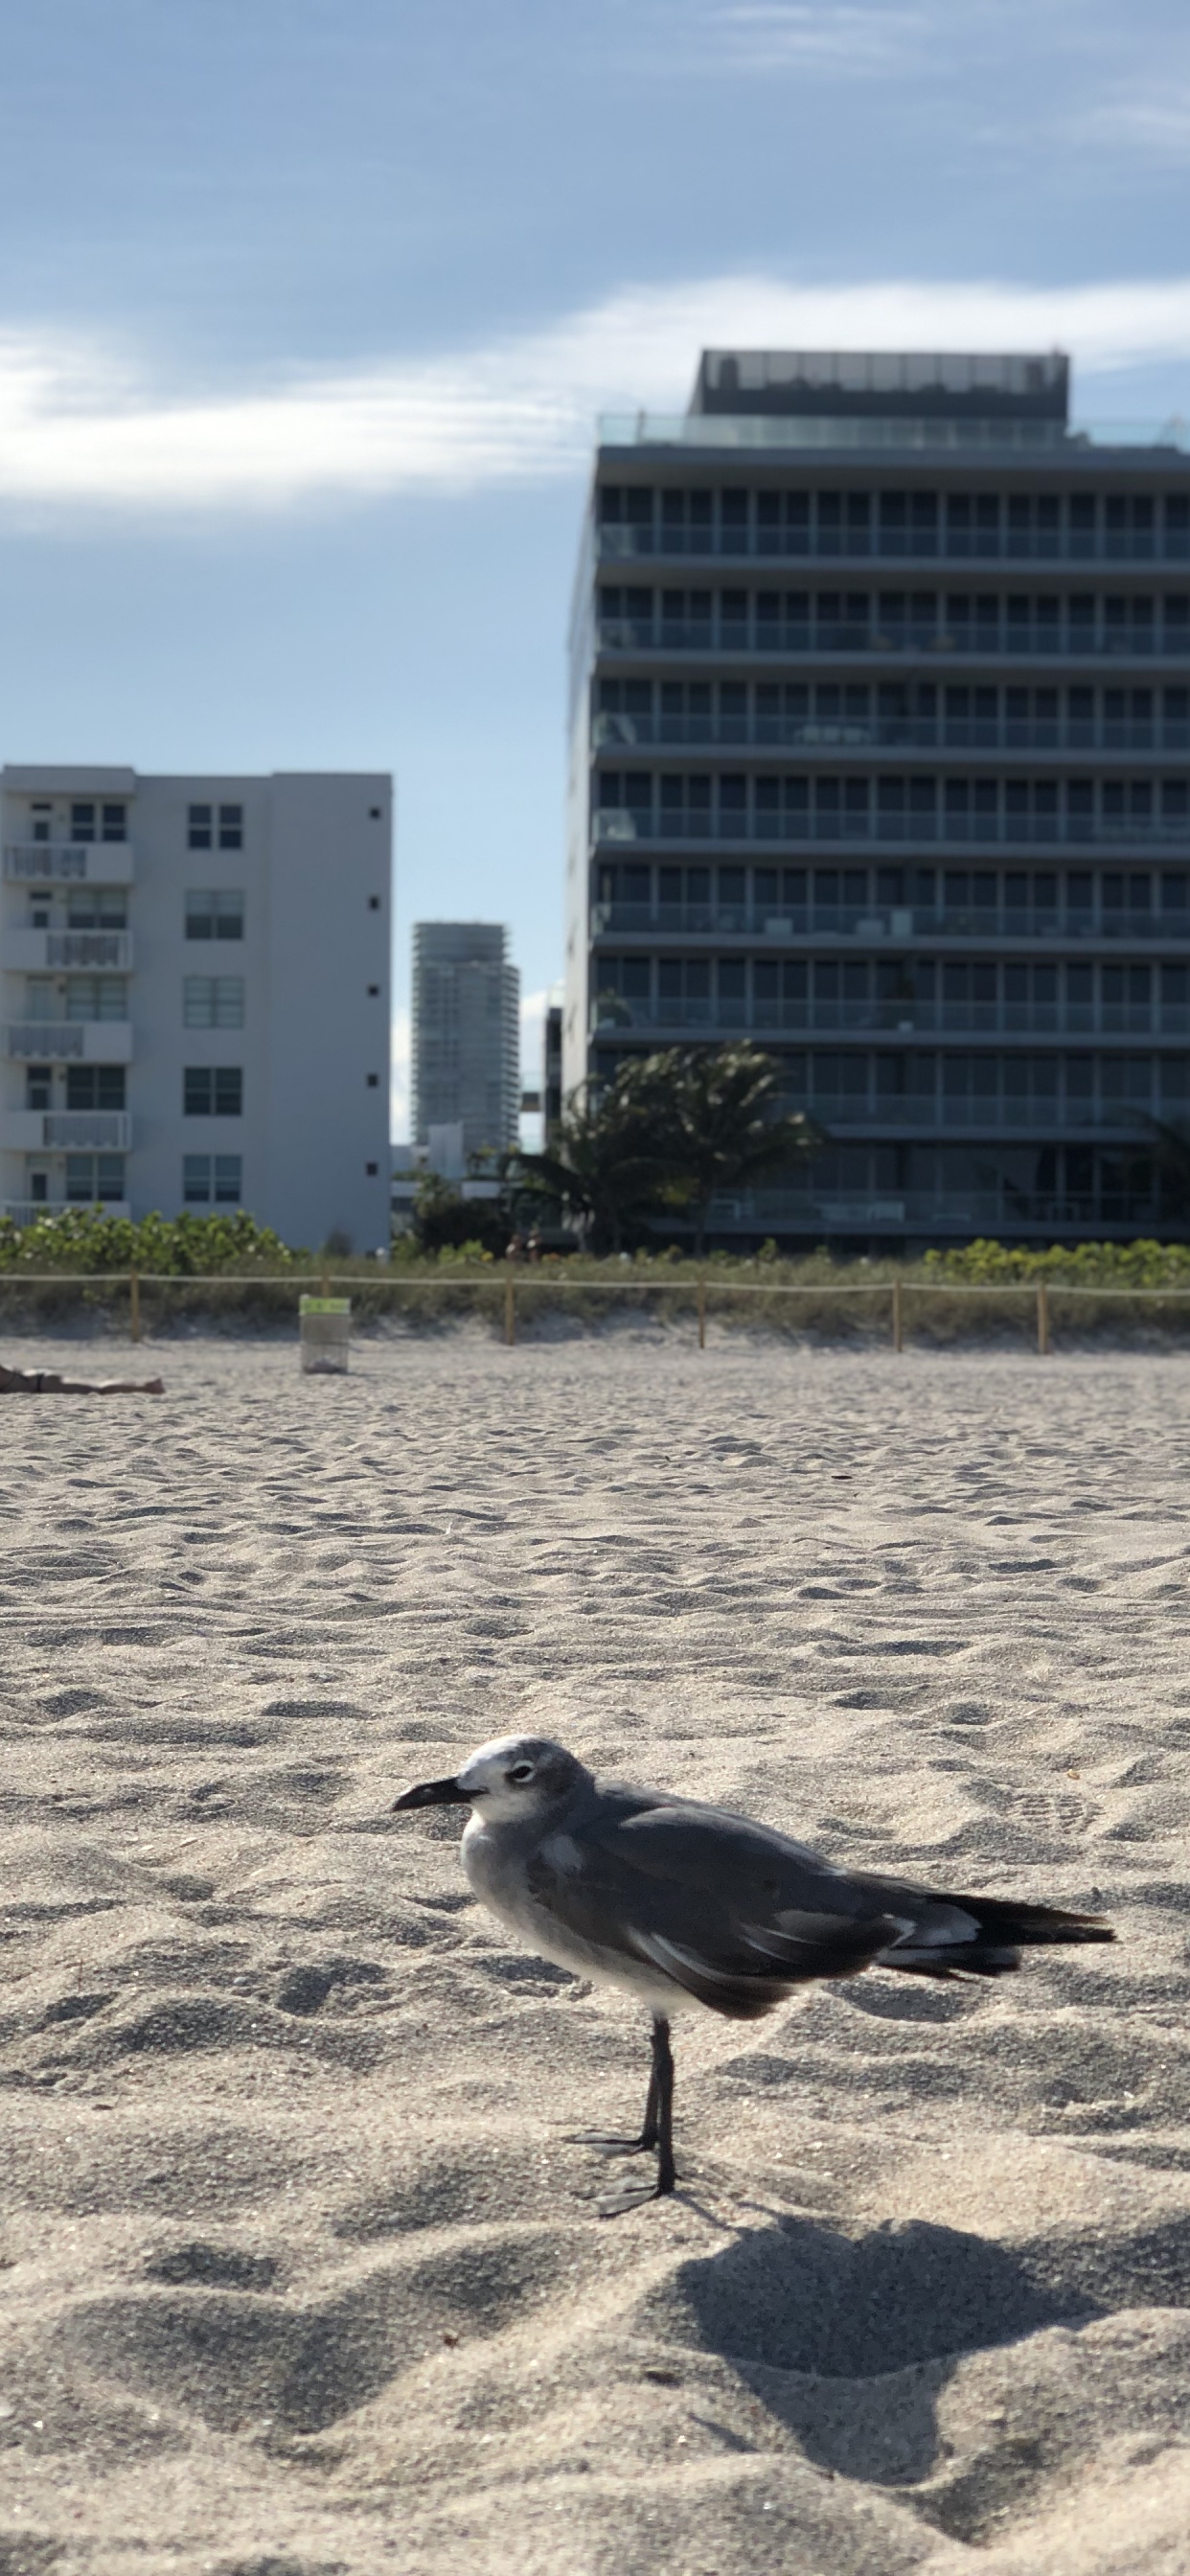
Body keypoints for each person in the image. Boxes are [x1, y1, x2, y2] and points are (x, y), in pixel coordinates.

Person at [0, 1361, 164, 1394]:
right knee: (97, 1387)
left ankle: (146, 1386)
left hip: (43, 1384)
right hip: (39, 1379)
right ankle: (146, 1385)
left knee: (99, 1389)